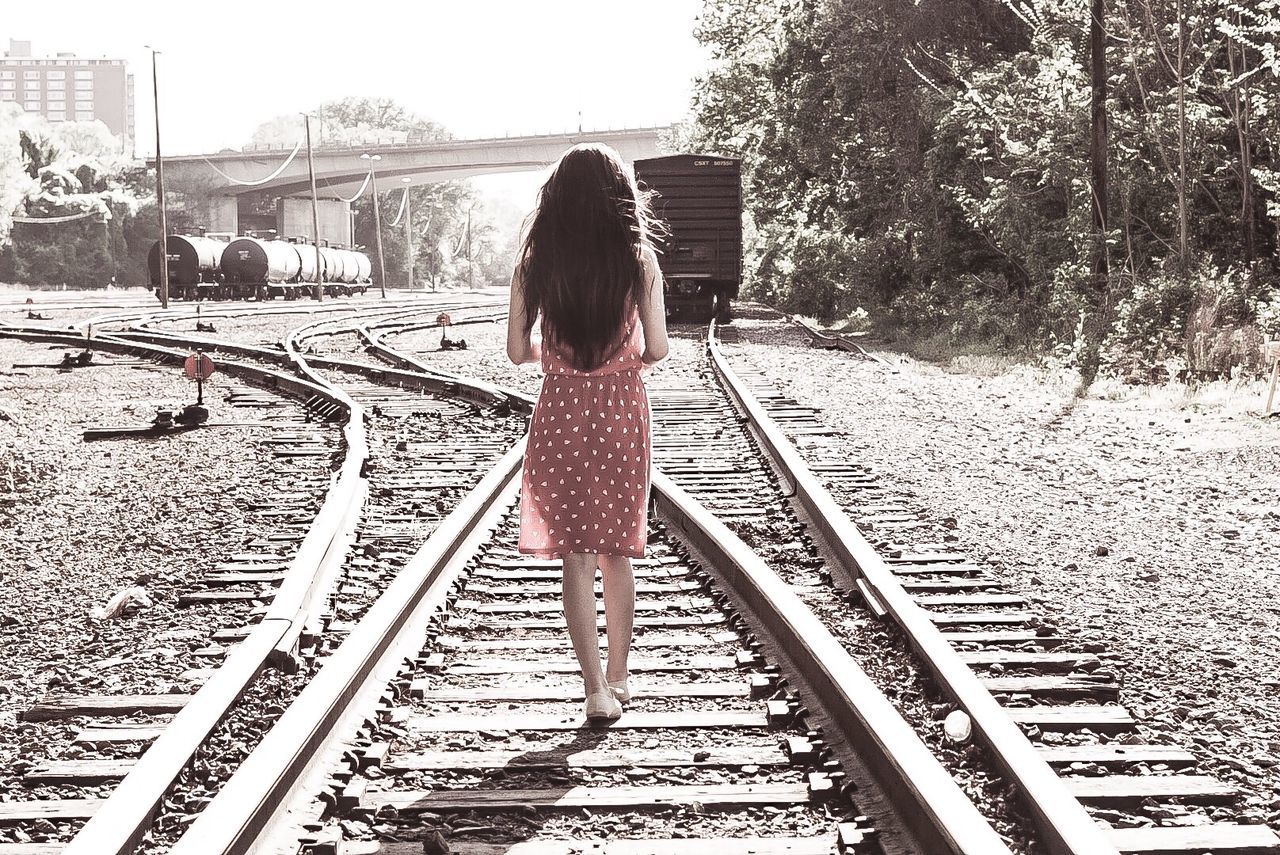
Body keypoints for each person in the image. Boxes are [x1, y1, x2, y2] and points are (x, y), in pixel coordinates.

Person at [506, 143, 670, 721]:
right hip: (623, 408)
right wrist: (616, 360)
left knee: (576, 554)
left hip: (561, 411)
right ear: (618, 196)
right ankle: (622, 677)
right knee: (618, 549)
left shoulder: (536, 262)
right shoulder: (637, 259)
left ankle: (594, 689)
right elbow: (659, 348)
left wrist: (556, 352)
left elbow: (515, 353)